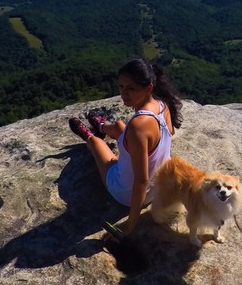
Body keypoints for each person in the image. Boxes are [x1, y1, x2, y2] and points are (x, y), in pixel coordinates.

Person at [69, 58, 183, 235]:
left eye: (131, 88)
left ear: (148, 88)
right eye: (121, 86)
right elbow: (167, 134)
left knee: (97, 143)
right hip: (158, 187)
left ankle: (90, 135)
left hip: (126, 193)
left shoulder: (138, 126)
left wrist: (130, 226)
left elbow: (141, 182)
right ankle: (102, 126)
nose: (124, 93)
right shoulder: (163, 106)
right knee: (120, 127)